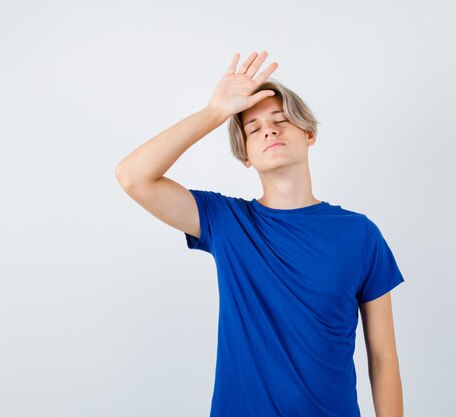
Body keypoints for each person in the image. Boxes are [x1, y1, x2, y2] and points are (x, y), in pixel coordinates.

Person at [115, 50, 405, 417]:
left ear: (308, 134)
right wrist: (214, 112)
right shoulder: (226, 222)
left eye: (280, 119)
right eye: (253, 128)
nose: (268, 128)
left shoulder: (361, 234)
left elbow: (383, 356)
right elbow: (133, 176)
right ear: (246, 155)